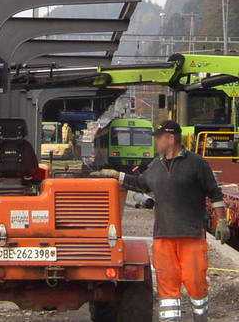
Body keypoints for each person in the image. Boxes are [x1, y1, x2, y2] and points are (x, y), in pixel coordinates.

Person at [94, 119, 228, 322]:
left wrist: (222, 222)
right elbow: (139, 183)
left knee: (195, 282)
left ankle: (200, 318)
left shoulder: (197, 164)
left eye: (158, 138)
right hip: (163, 238)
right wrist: (115, 175)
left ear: (171, 138)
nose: (156, 143)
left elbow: (215, 194)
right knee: (167, 285)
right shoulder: (156, 165)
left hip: (191, 236)